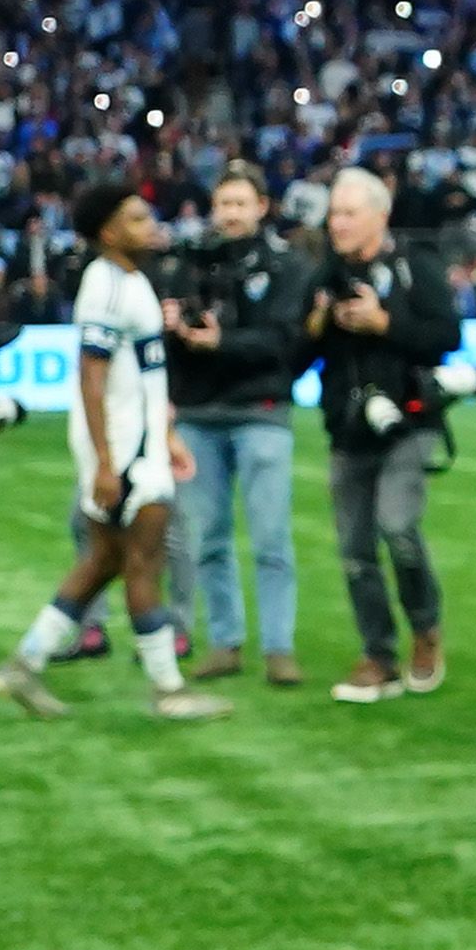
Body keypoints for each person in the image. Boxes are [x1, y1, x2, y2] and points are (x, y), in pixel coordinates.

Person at [0, 183, 235, 723]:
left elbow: (137, 377)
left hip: (134, 445)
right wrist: (104, 462)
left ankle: (23, 664)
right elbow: (91, 378)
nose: (152, 225)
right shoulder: (109, 289)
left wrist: (164, 434)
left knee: (103, 562)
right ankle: (168, 690)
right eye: (138, 218)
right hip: (123, 453)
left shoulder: (131, 281)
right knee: (146, 561)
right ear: (109, 233)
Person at [304, 165, 461, 705]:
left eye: (348, 213)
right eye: (333, 214)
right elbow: (296, 354)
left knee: (397, 527)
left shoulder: (415, 267)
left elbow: (446, 336)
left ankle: (424, 630)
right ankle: (377, 653)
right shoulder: (323, 276)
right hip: (347, 427)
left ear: (379, 215)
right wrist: (320, 322)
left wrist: (384, 323)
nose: (337, 224)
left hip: (407, 420)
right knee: (353, 551)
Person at [160, 163, 309, 686]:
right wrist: (175, 334)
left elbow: (285, 342)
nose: (231, 214)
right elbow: (169, 333)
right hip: (200, 413)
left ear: (262, 208)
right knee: (210, 538)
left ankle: (278, 648)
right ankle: (225, 642)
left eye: (241, 204)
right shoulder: (188, 262)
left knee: (271, 537)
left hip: (261, 411)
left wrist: (222, 343)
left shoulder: (287, 266)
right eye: (224, 204)